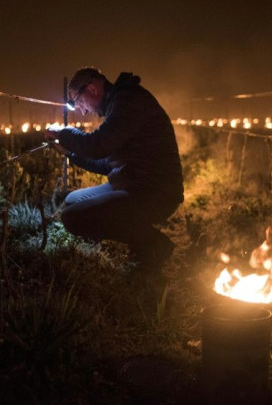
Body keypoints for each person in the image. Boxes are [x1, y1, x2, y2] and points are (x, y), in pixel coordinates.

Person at [44, 67, 183, 272]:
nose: (82, 111)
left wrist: (63, 132)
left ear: (92, 88)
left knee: (73, 217)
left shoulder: (128, 101)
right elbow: (105, 163)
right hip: (133, 182)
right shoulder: (116, 106)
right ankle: (128, 240)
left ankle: (153, 245)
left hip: (155, 191)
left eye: (79, 102)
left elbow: (98, 145)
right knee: (72, 201)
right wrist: (69, 153)